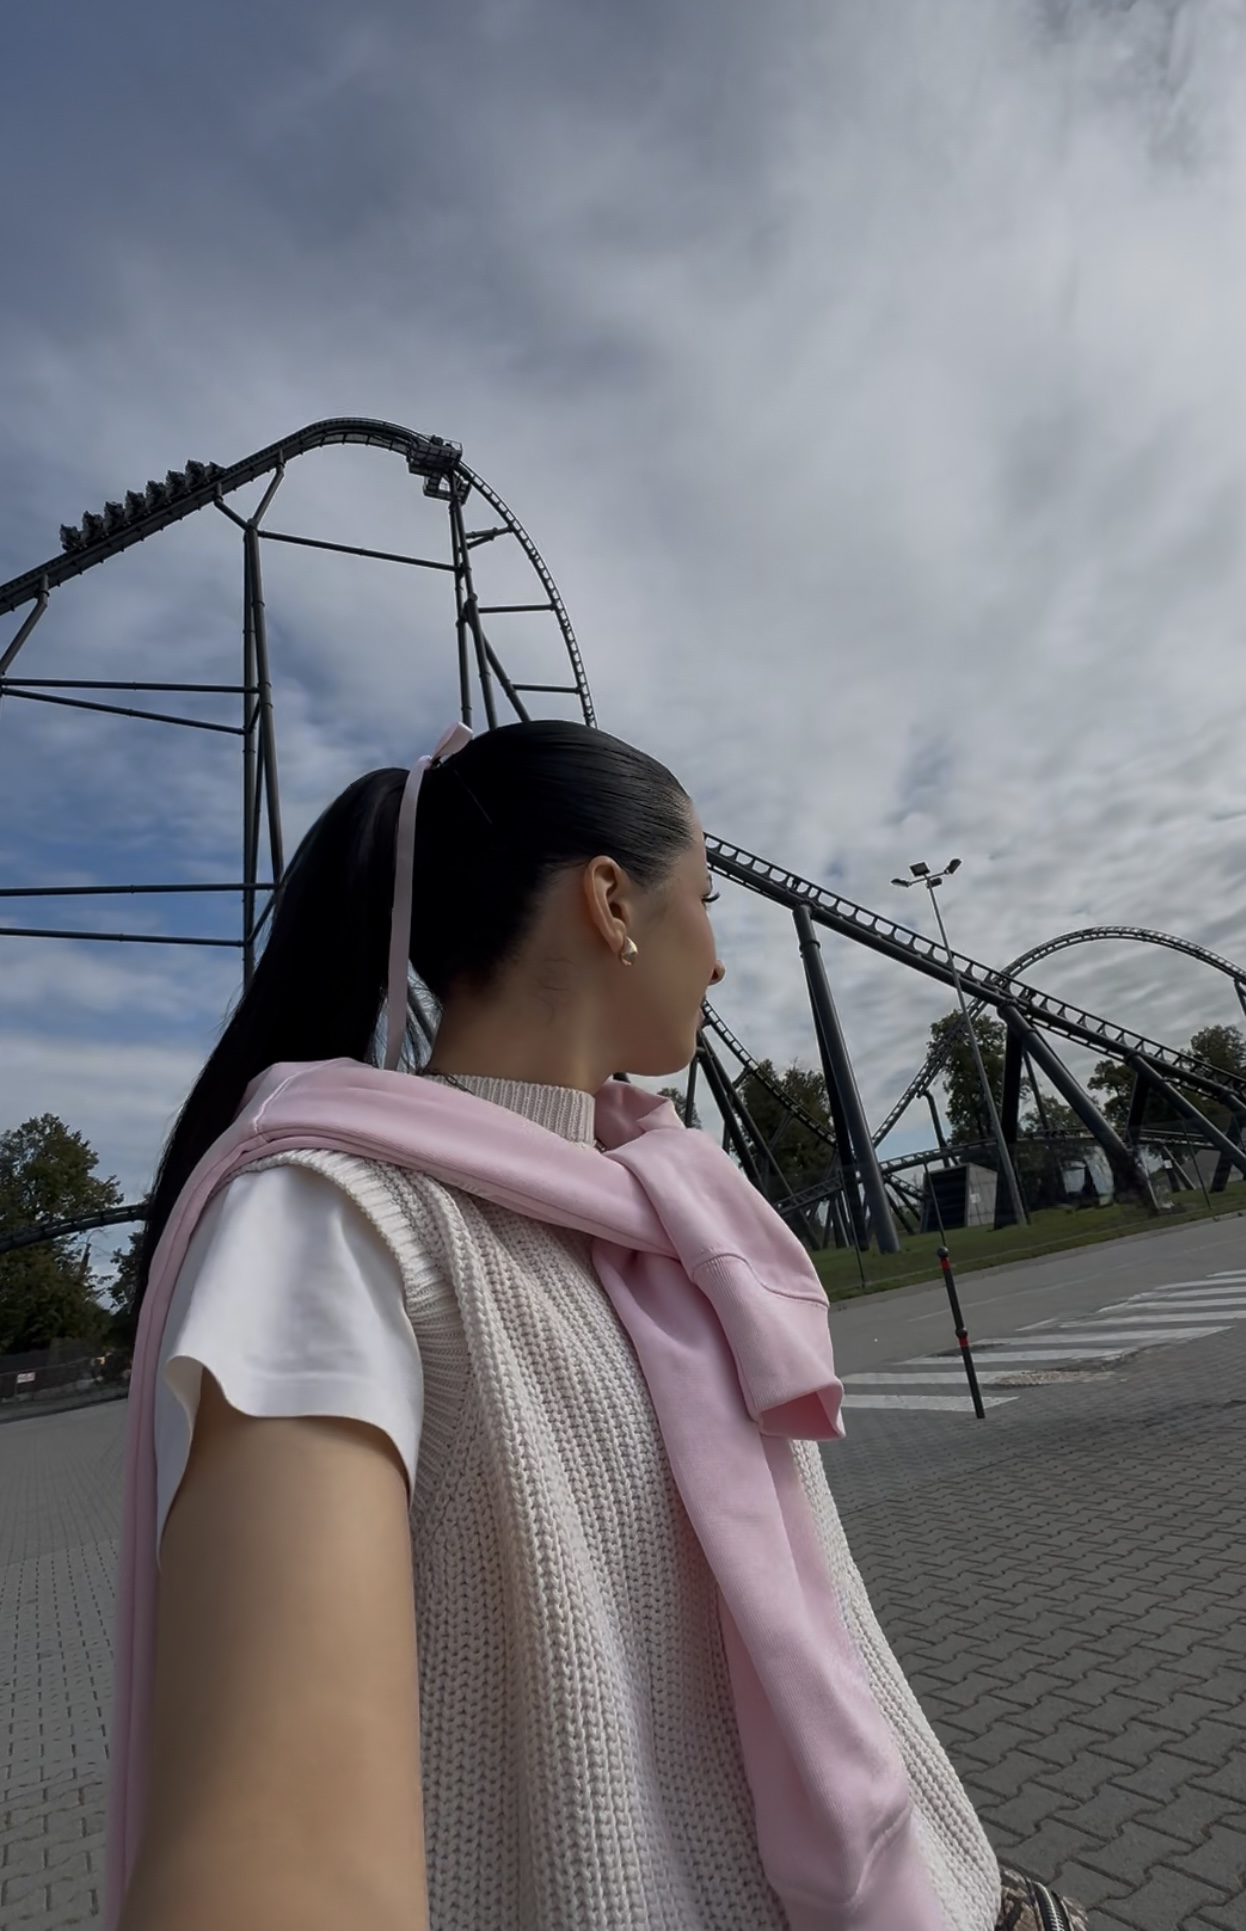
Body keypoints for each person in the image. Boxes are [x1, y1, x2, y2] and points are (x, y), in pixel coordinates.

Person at [108, 719, 1082, 1931]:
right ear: (613, 903)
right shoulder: (332, 1225)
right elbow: (274, 1864)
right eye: (707, 903)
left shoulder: (662, 1205)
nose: (717, 962)